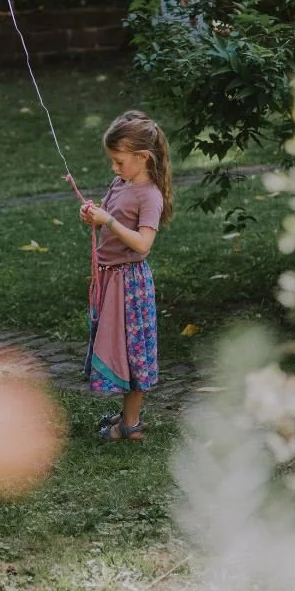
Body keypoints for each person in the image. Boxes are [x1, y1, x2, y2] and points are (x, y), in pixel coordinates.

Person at [79, 110, 172, 441]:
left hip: (130, 284)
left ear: (142, 157)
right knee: (119, 348)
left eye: (118, 161)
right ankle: (127, 415)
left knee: (133, 353)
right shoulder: (122, 183)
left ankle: (129, 424)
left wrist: (108, 221)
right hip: (111, 280)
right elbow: (110, 217)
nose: (114, 168)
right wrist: (93, 215)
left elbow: (143, 245)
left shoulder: (150, 195)